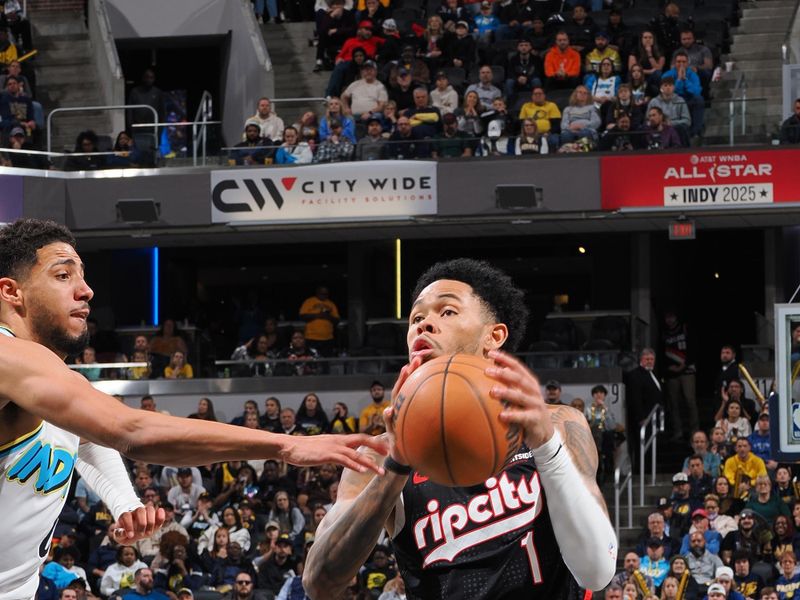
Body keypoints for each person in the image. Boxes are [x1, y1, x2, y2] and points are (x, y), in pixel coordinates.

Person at [0, 220, 389, 598]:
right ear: (11, 291)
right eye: (63, 275)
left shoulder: (55, 382)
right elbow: (129, 430)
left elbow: (87, 437)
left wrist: (125, 502)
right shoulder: (5, 355)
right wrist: (282, 445)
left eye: (82, 275)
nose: (86, 290)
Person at [303, 258, 617, 599]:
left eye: (447, 312)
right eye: (417, 318)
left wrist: (545, 446)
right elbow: (319, 583)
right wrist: (396, 466)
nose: (424, 325)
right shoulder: (380, 455)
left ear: (493, 336)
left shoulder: (556, 424)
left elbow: (596, 570)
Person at [299, 286, 340, 358]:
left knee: (326, 361)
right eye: (322, 294)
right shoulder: (309, 301)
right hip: (311, 337)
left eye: (326, 294)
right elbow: (302, 316)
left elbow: (337, 320)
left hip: (327, 338)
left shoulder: (331, 304)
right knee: (311, 360)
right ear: (317, 293)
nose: (324, 296)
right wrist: (318, 315)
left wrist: (328, 317)